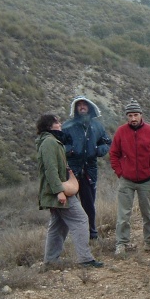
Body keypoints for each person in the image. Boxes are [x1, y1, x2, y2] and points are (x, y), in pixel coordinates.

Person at [35, 113, 103, 268]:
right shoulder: (49, 143)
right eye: (57, 122)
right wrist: (59, 191)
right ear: (50, 126)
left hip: (54, 190)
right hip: (59, 191)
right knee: (81, 219)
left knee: (58, 225)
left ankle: (51, 261)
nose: (60, 124)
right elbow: (50, 170)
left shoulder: (50, 141)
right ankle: (85, 259)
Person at [110, 99, 150, 255]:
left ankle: (149, 241)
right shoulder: (121, 132)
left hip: (146, 180)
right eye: (130, 115)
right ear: (127, 117)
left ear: (141, 115)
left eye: (135, 115)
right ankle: (122, 243)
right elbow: (114, 154)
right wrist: (119, 172)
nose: (133, 118)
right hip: (126, 180)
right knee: (123, 214)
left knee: (148, 214)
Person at [62, 96, 112, 241]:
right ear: (76, 108)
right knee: (70, 203)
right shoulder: (67, 126)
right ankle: (72, 235)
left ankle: (92, 234)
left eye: (85, 105)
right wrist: (71, 150)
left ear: (89, 107)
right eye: (79, 105)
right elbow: (59, 145)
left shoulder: (97, 126)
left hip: (90, 169)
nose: (82, 107)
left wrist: (97, 150)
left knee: (89, 203)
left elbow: (107, 142)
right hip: (71, 169)